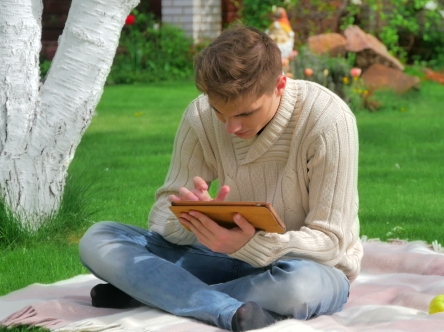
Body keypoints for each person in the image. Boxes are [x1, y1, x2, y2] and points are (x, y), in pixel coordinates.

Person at [79, 25, 363, 332]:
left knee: (301, 289)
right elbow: (162, 218)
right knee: (100, 238)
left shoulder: (328, 119)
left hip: (299, 266)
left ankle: (155, 292)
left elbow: (331, 242)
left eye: (245, 114)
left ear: (280, 84)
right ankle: (226, 309)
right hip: (215, 257)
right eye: (219, 112)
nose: (230, 128)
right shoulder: (199, 116)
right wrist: (189, 218)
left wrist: (252, 244)